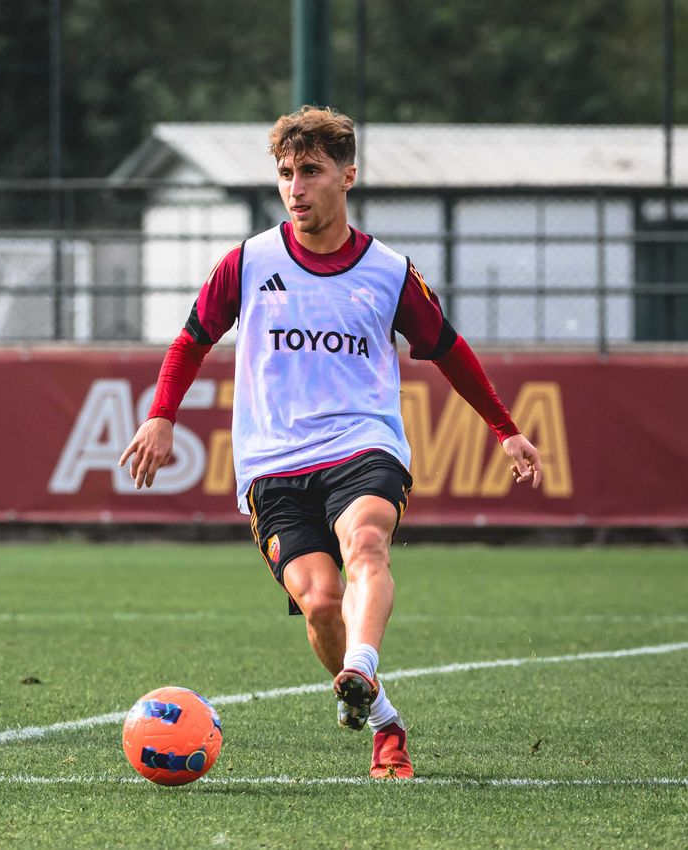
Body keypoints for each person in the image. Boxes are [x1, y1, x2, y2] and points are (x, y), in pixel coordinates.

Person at [119, 106, 542, 779]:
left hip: (361, 444)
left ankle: (359, 668)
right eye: (286, 174)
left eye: (310, 172)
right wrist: (160, 413)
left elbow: (448, 349)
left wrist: (506, 429)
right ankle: (383, 721)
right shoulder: (249, 262)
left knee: (365, 544)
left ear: (347, 175)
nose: (295, 187)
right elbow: (191, 338)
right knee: (318, 601)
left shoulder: (387, 272)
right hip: (271, 463)